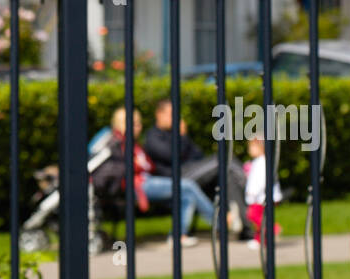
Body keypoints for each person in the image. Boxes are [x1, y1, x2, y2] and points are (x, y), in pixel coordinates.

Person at [92, 107, 215, 246]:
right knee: (187, 185)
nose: (138, 127)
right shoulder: (117, 142)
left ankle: (178, 235)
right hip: (137, 184)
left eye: (139, 123)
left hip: (145, 181)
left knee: (186, 196)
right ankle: (219, 221)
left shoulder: (133, 144)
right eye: (134, 123)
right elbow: (116, 168)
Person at [143, 98, 253, 241]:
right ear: (159, 114)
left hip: (193, 172)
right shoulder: (153, 137)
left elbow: (198, 155)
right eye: (171, 114)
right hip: (176, 178)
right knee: (222, 160)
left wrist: (183, 138)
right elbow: (172, 156)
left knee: (228, 176)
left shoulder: (176, 134)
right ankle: (251, 184)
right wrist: (181, 136)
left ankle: (246, 228)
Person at [244, 135, 282, 250]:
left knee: (254, 215)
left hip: (261, 197)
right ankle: (260, 239)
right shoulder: (259, 162)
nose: (249, 150)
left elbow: (261, 180)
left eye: (252, 147)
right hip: (260, 197)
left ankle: (272, 229)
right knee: (259, 218)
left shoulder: (263, 162)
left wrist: (252, 192)